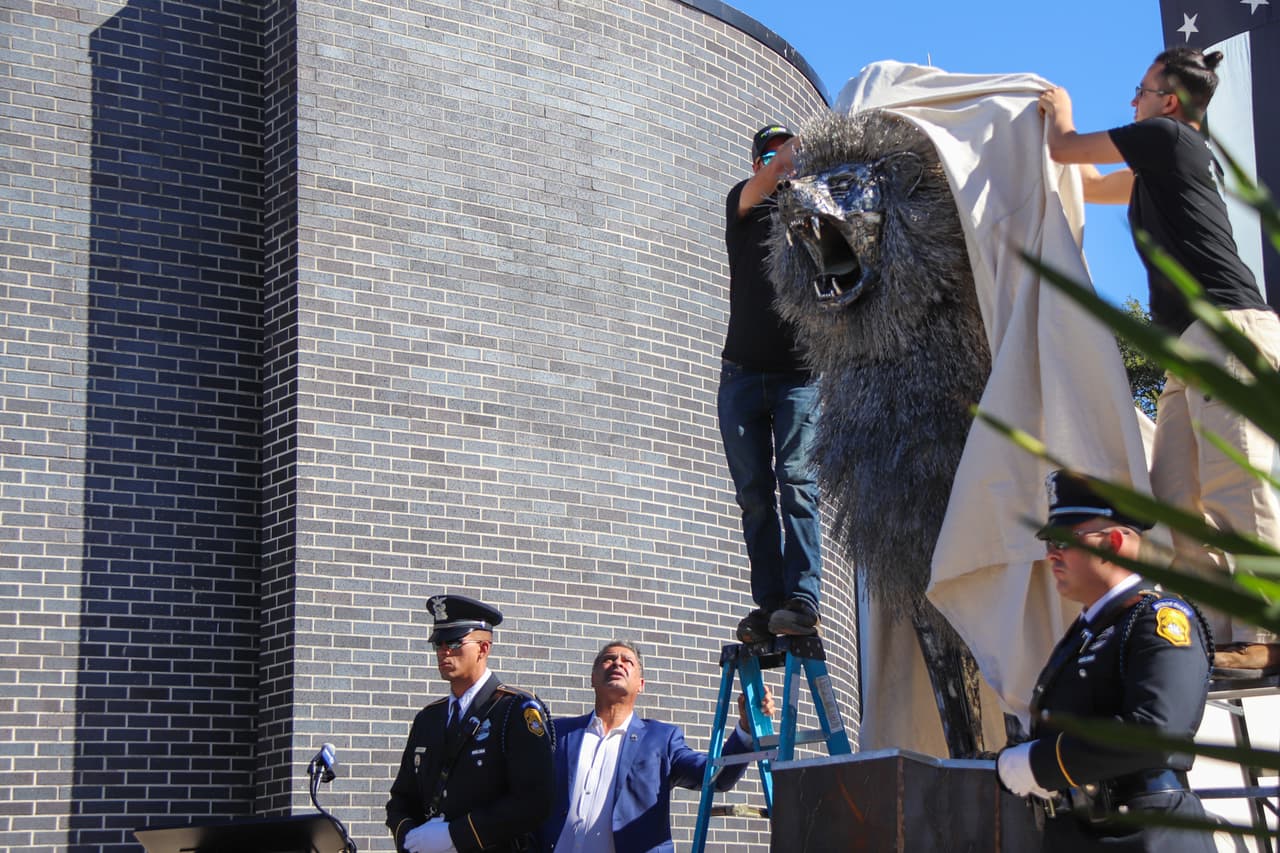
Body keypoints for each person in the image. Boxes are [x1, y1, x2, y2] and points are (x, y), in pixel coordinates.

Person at [1038, 48, 1280, 677]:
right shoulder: (1157, 165)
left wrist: (1057, 108)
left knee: (1239, 486)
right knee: (1176, 501)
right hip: (1188, 351)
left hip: (1228, 333)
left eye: (1139, 90)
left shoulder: (1167, 137)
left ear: (1168, 100)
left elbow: (1067, 149)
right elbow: (1085, 183)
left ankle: (1269, 634)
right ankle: (1220, 632)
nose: (1132, 101)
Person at [996, 470, 1214, 852]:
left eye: (1064, 541)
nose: (1051, 554)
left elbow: (1157, 731)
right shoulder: (1088, 630)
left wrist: (1040, 763)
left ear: (1113, 544)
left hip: (1147, 834)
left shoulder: (1159, 619)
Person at [721, 122, 823, 644]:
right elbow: (776, 172)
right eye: (769, 155)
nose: (779, 163)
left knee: (798, 485)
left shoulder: (813, 217)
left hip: (798, 378)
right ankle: (770, 602)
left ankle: (802, 596)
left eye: (781, 153)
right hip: (742, 375)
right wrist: (795, 153)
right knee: (755, 495)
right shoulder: (743, 205)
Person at [540, 640, 773, 853]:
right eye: (608, 659)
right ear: (592, 678)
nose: (617, 663)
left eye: (627, 661)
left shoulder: (661, 739)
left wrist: (745, 729)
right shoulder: (559, 733)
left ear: (640, 684)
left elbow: (716, 777)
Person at [387, 594, 555, 853]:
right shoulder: (428, 718)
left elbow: (534, 800)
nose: (444, 651)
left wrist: (457, 835)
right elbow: (401, 799)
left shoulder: (516, 710)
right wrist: (409, 838)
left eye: (454, 642)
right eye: (439, 643)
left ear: (483, 648)